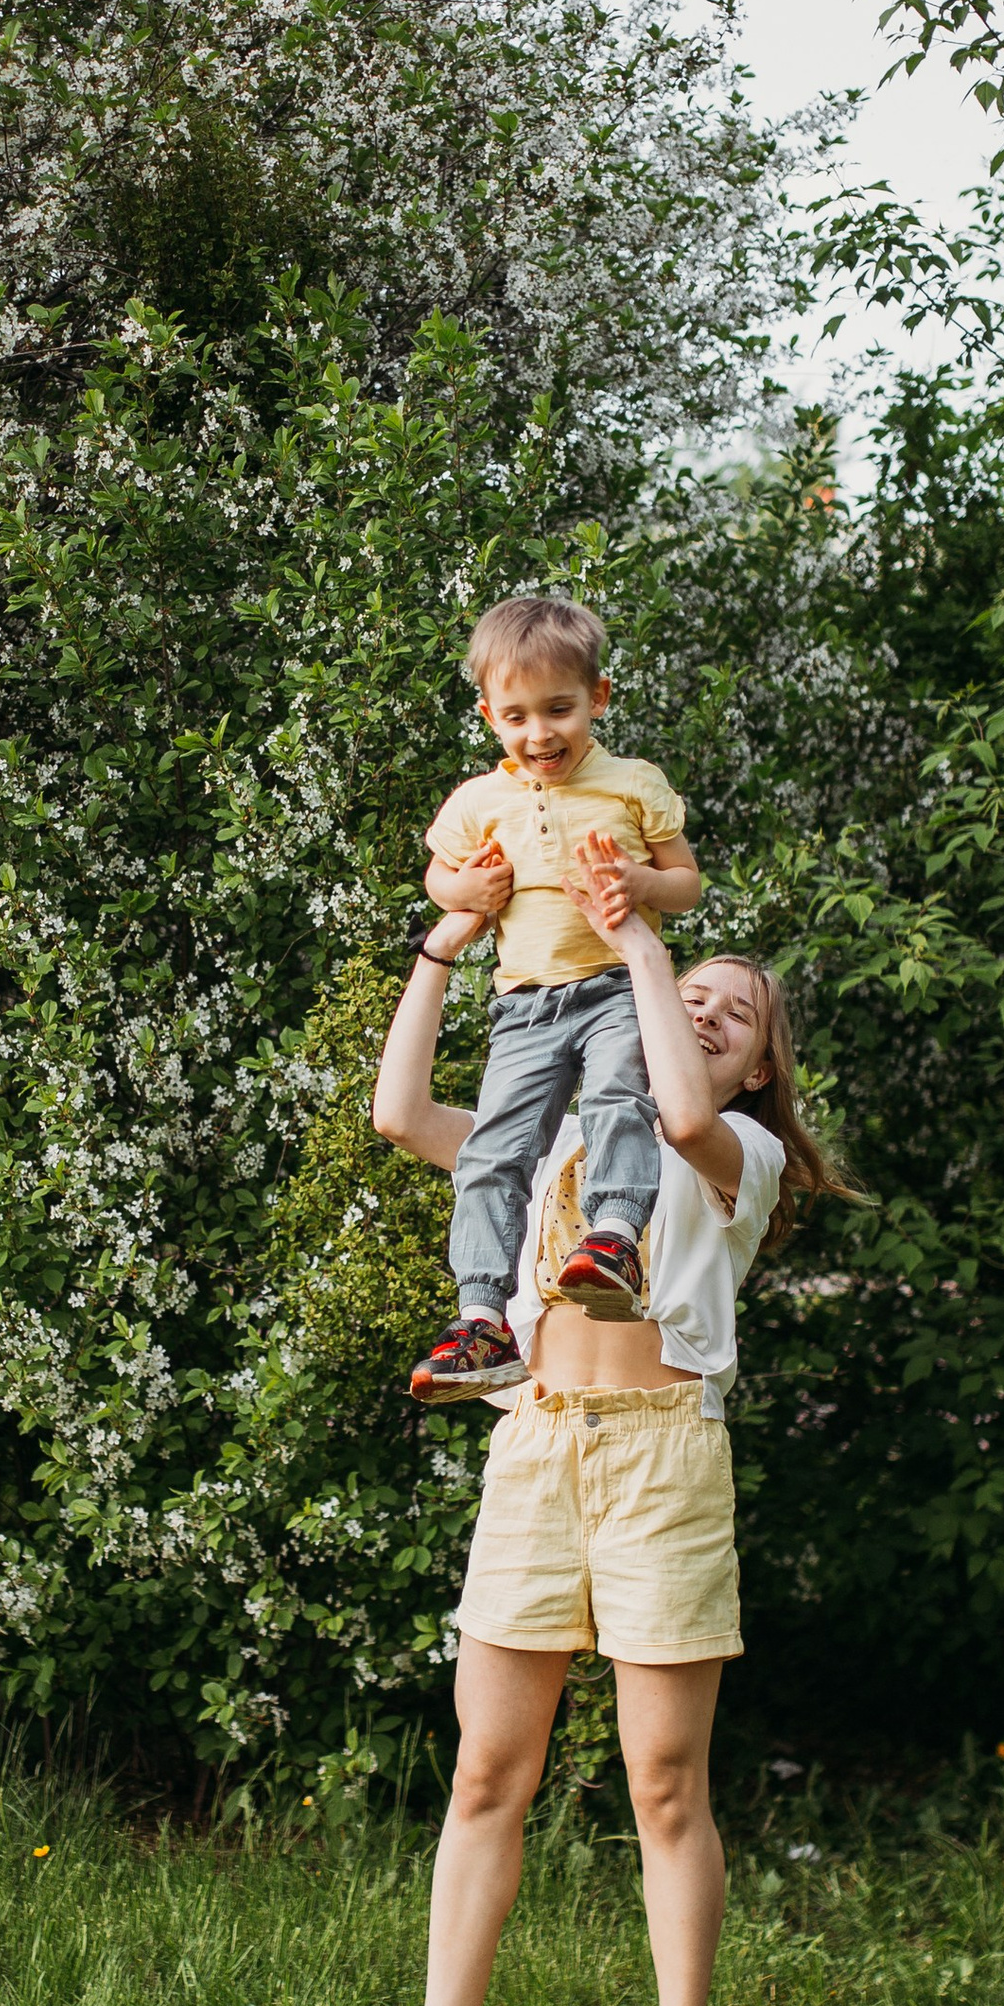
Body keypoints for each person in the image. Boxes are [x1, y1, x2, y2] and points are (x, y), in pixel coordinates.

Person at [363, 836, 848, 2006]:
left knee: (665, 1788)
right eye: (692, 986)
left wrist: (636, 938)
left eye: (729, 1011)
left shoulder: (731, 1146)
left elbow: (680, 1115)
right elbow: (403, 1116)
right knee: (483, 1774)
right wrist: (446, 943)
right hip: (535, 1445)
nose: (699, 1002)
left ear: (756, 1065)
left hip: (662, 1456)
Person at [408, 594, 700, 1402]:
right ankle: (480, 1319)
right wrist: (463, 886)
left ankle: (611, 1239)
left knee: (616, 1098)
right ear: (490, 717)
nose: (541, 734)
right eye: (518, 716)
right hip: (525, 1007)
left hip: (612, 988)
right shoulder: (479, 801)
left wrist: (642, 881)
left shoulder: (633, 784)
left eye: (560, 710)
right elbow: (440, 876)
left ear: (597, 699)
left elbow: (686, 883)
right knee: (491, 1153)